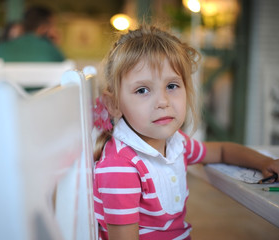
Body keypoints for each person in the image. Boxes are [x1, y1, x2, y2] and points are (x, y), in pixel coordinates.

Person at [92, 24, 279, 240]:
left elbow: (222, 151)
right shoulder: (120, 168)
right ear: (114, 104)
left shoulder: (176, 143)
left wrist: (264, 163)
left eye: (171, 86)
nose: (163, 101)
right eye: (142, 90)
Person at [0, 5, 65, 70]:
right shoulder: (50, 50)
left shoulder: (1, 48)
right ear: (43, 27)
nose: (54, 30)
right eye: (52, 26)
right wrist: (55, 45)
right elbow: (65, 71)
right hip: (45, 87)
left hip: (8, 87)